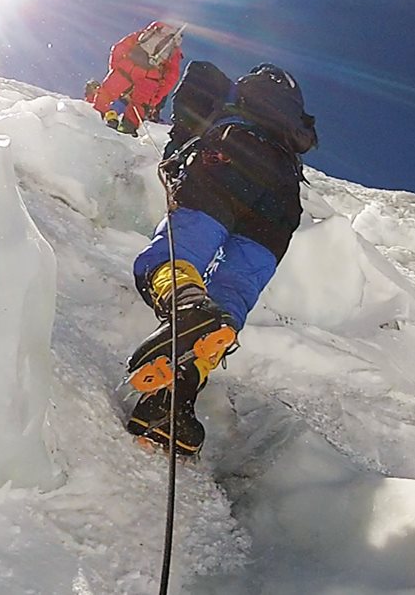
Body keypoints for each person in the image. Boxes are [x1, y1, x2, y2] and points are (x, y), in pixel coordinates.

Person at [122, 60, 318, 455]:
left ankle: (187, 306)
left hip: (232, 157)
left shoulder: (237, 93)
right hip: (283, 201)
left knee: (176, 254)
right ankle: (179, 392)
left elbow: (198, 77)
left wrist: (181, 140)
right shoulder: (293, 126)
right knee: (234, 291)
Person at [90, 20, 184, 136]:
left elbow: (119, 48)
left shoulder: (147, 33)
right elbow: (171, 77)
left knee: (106, 93)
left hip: (127, 68)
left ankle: (93, 118)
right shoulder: (174, 49)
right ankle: (127, 131)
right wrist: (155, 99)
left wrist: (117, 68)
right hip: (149, 79)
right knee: (140, 105)